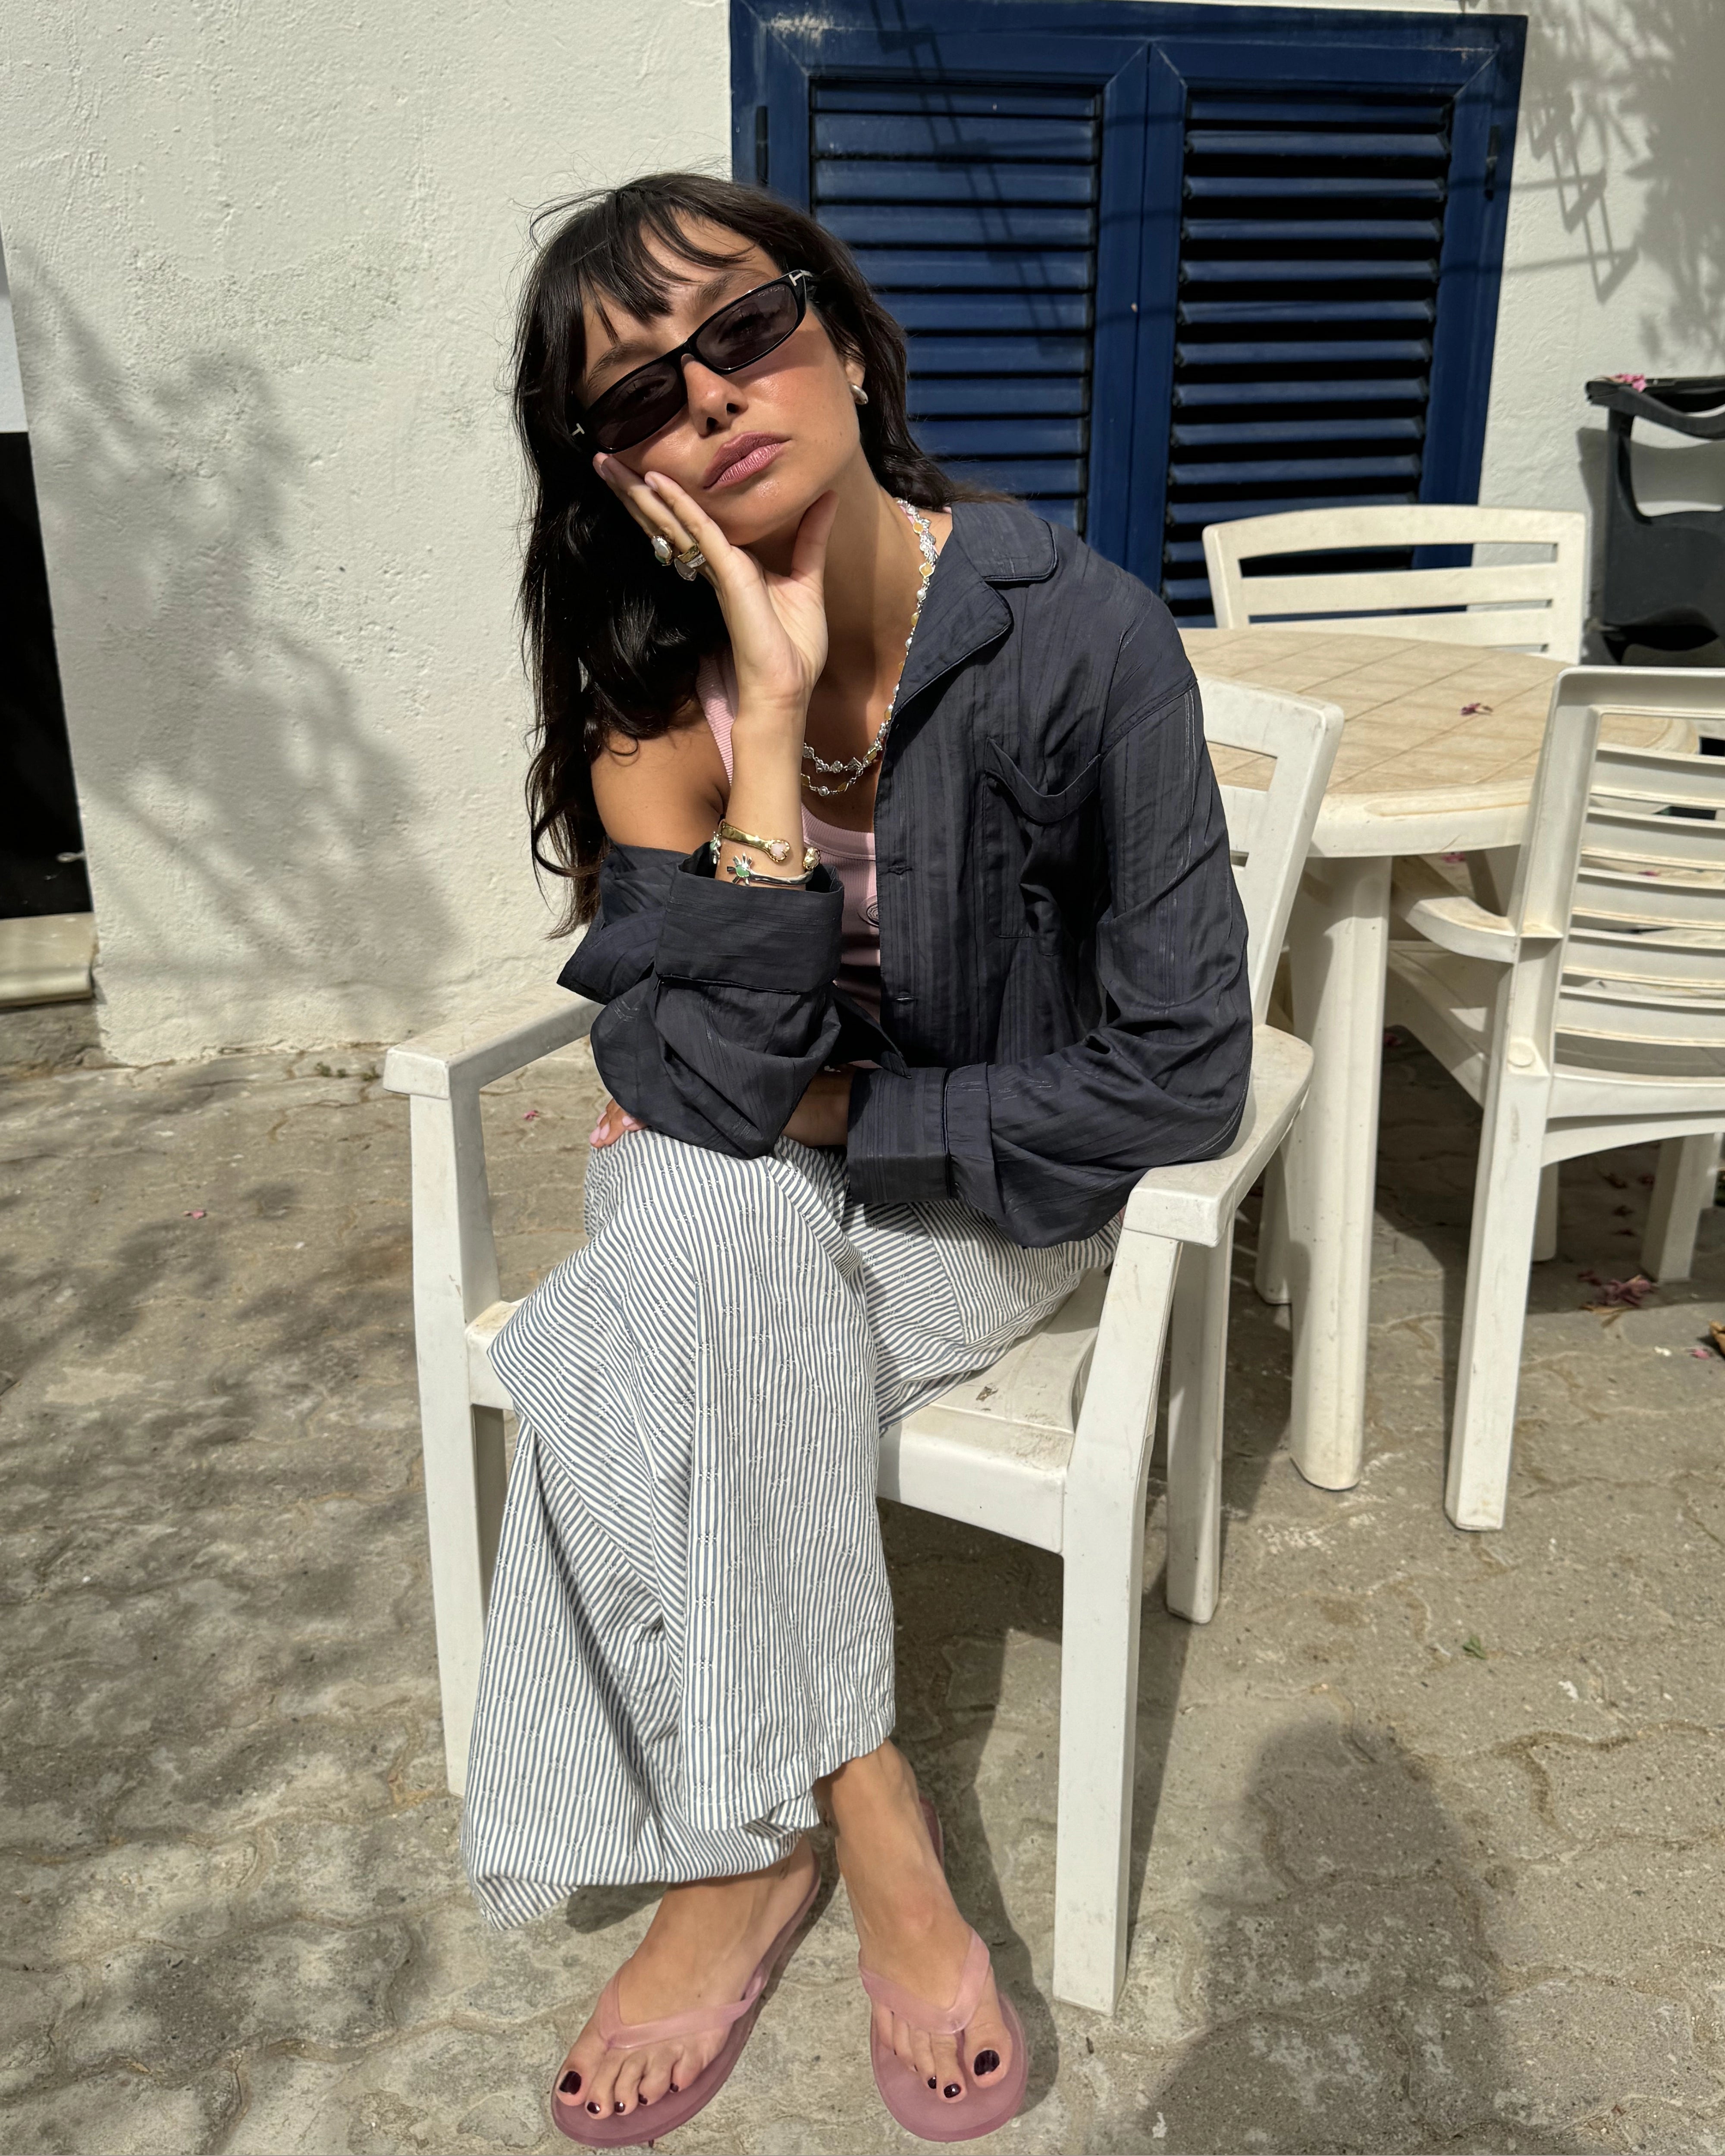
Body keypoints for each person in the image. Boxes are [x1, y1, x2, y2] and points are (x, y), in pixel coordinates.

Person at [464, 171, 1251, 2147]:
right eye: (639, 396)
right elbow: (699, 1072)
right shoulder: (655, 680)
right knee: (712, 1209)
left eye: (742, 326)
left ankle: (742, 1858)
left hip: (981, 1190)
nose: (712, 396)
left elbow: (1181, 1066)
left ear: (838, 327)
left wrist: (848, 1116)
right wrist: (768, 711)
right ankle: (862, 1806)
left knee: (641, 1301)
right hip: (737, 1175)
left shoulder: (1085, 636)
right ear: (612, 473)